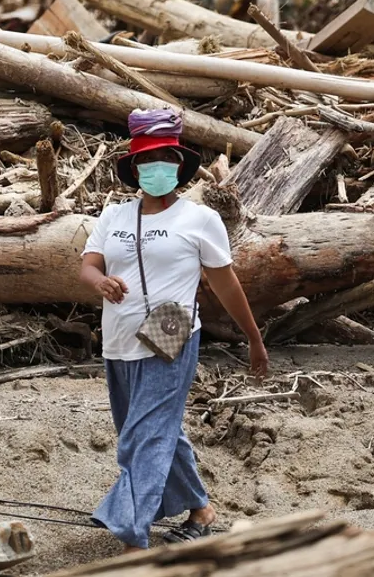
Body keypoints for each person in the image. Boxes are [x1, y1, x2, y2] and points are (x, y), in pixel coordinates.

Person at [78, 108, 268, 552]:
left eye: (165, 157)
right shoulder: (114, 217)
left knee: (143, 435)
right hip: (119, 335)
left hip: (171, 324)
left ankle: (131, 531)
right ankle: (200, 507)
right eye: (147, 159)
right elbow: (88, 267)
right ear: (135, 167)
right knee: (155, 427)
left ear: (179, 164)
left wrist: (254, 339)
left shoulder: (200, 220)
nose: (156, 166)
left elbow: (225, 283)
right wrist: (101, 282)